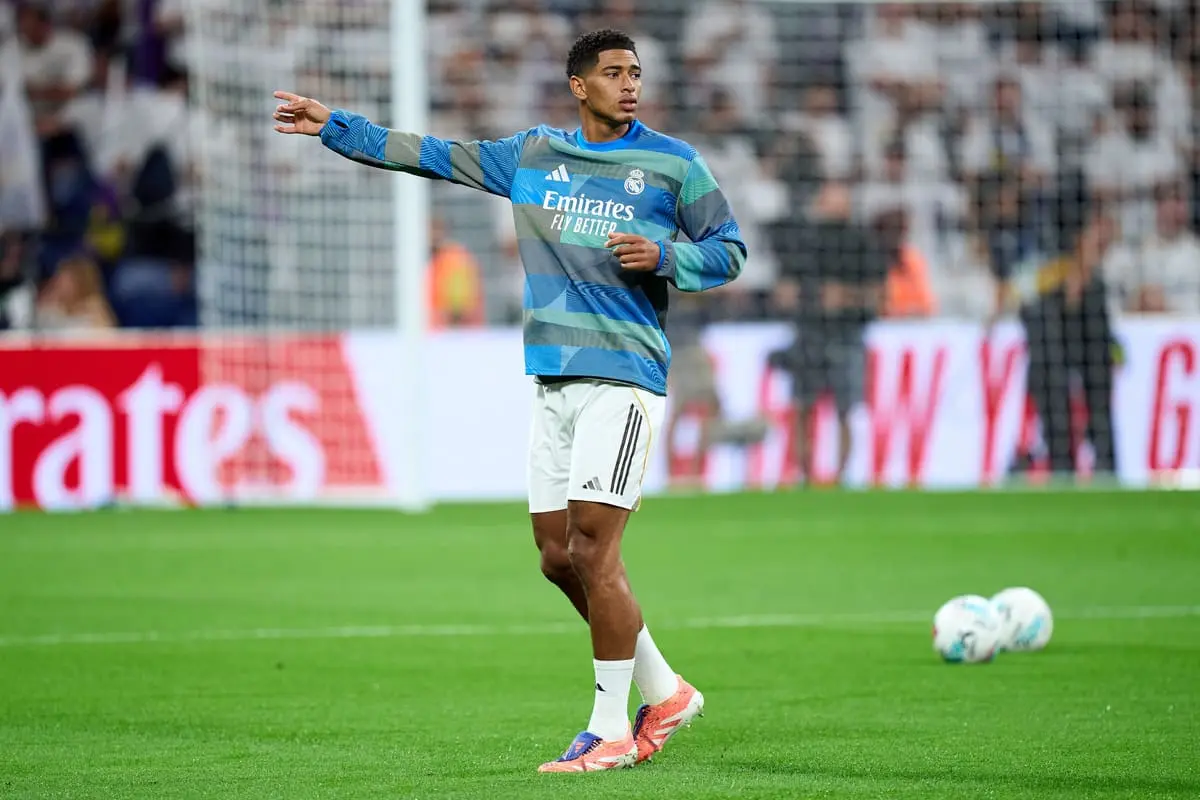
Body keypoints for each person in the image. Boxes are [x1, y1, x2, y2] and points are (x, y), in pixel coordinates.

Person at [272, 29, 746, 773]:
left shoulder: (674, 164)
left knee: (596, 549)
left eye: (636, 73)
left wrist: (667, 256)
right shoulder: (532, 156)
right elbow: (431, 155)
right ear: (577, 86)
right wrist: (334, 127)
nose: (630, 85)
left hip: (624, 377)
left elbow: (729, 248)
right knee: (559, 559)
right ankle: (666, 689)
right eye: (613, 73)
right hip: (553, 379)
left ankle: (611, 727)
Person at [772, 181, 887, 485]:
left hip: (847, 332)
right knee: (802, 405)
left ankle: (840, 476)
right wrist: (804, 296)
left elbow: (879, 295)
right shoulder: (804, 241)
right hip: (809, 332)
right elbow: (783, 291)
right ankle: (805, 475)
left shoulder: (861, 242)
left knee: (845, 408)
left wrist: (844, 297)